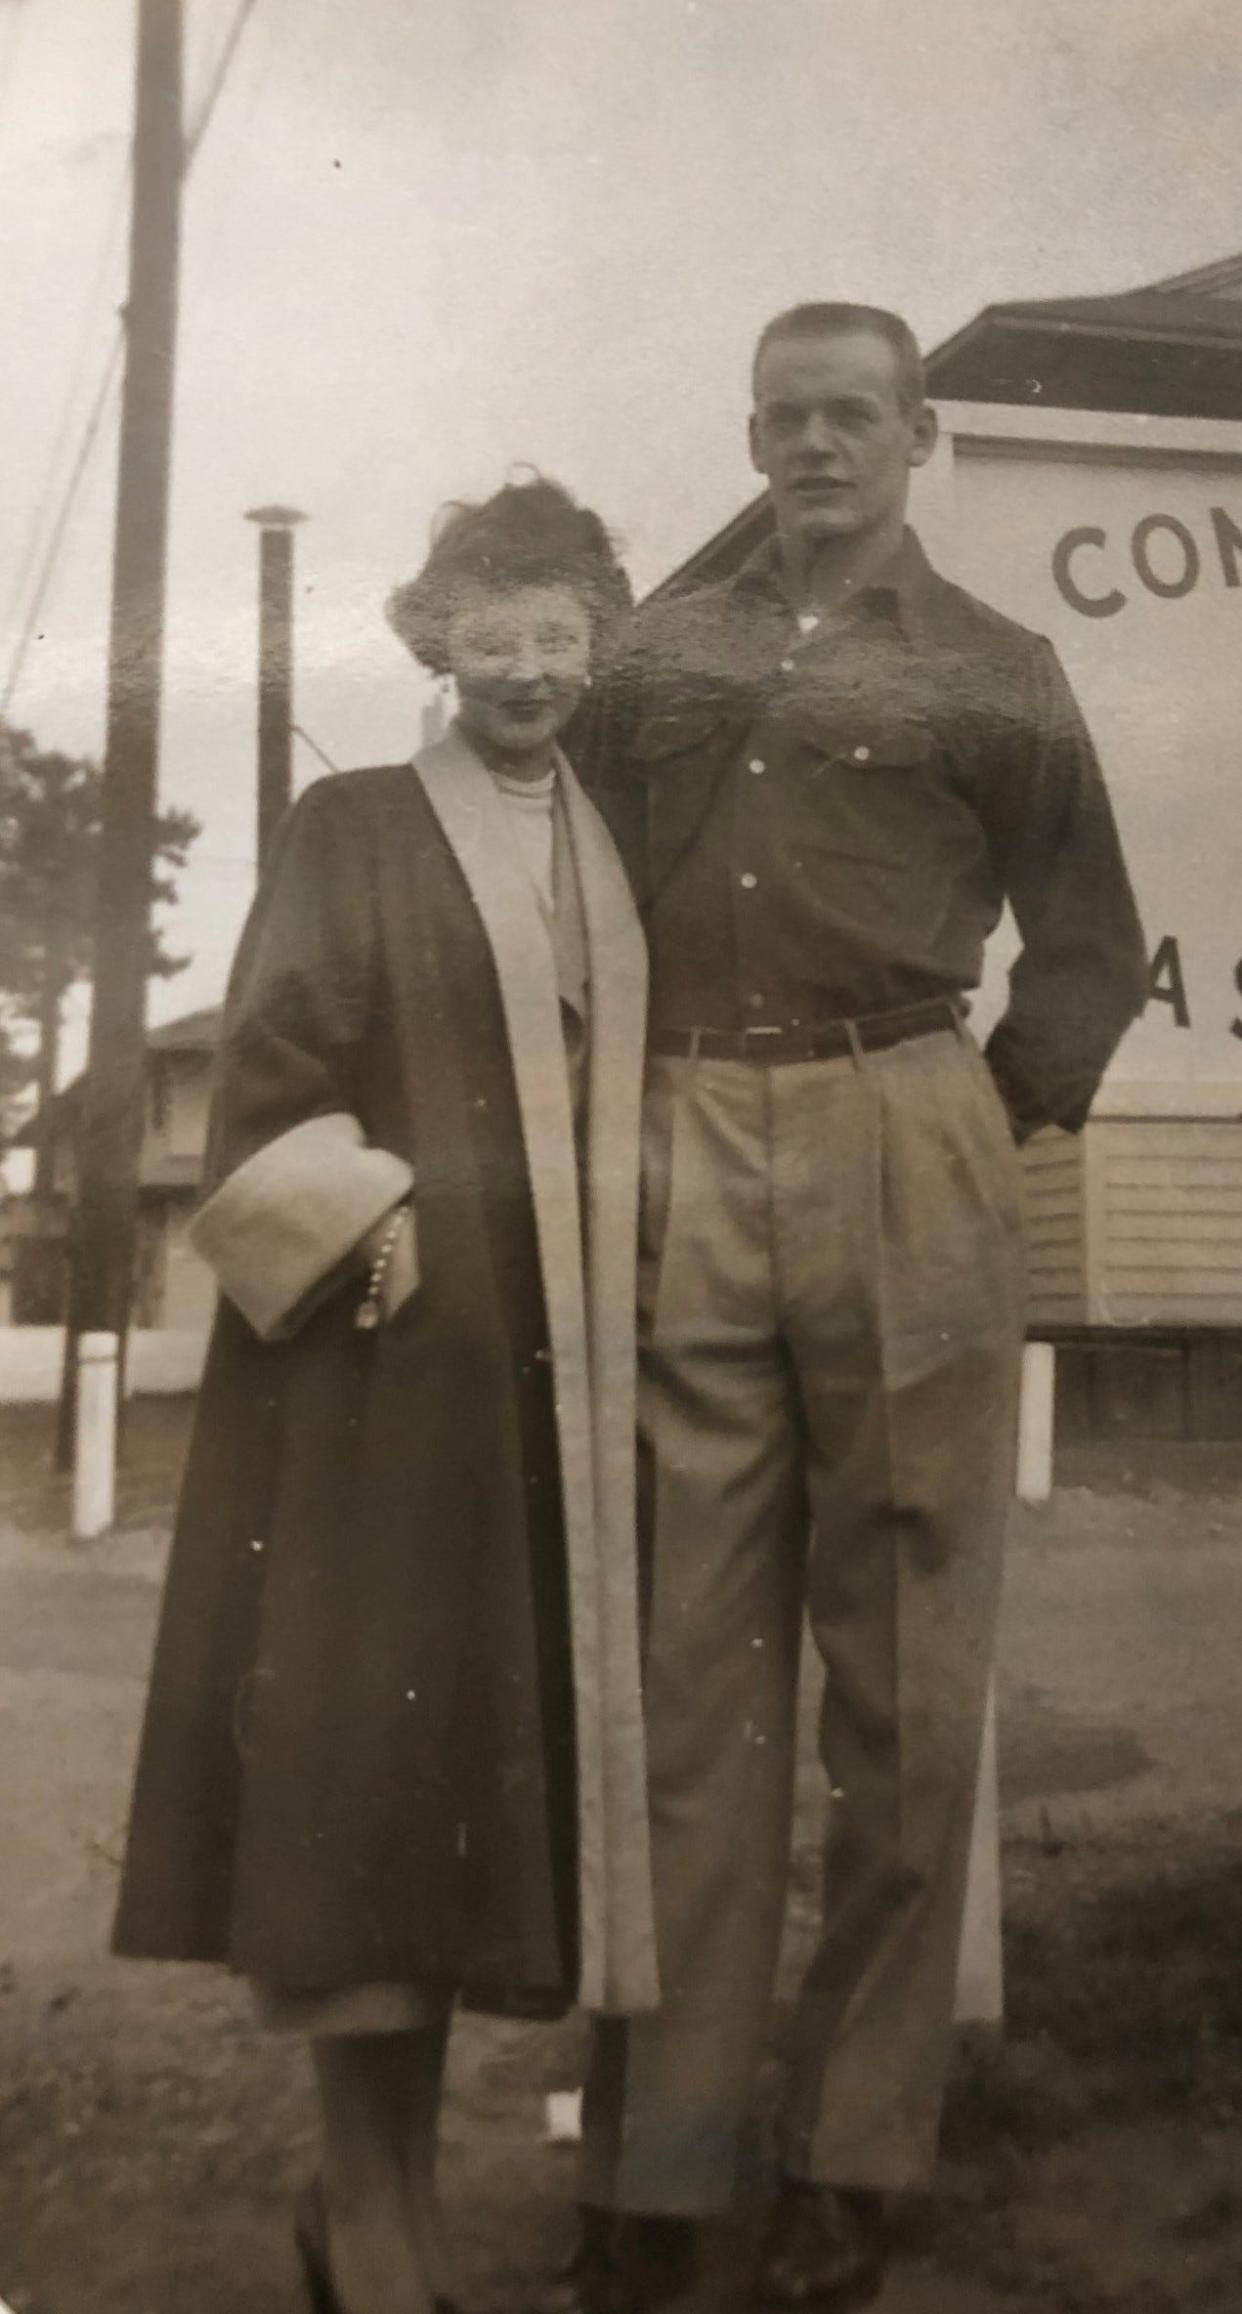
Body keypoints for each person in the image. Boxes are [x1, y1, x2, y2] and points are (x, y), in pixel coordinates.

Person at [565, 305, 1148, 2313]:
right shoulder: (659, 654)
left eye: (853, 416)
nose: (818, 445)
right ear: (750, 436)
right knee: (688, 1677)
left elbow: (1088, 936)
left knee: (902, 1684)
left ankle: (856, 2149)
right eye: (784, 418)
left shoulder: (995, 667)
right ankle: (668, 2156)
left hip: (908, 1115)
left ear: (917, 434)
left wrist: (974, 1122)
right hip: (683, 1133)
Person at [112, 477, 658, 2314]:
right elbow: (269, 1077)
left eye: (561, 630)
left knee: (467, 1813)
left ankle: (388, 2219)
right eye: (492, 632)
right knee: (371, 1799)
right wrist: (371, 1206)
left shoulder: (611, 839)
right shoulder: (353, 823)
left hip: (559, 1396)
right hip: (387, 1373)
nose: (529, 666)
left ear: (600, 639)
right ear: (433, 641)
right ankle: (369, 2216)